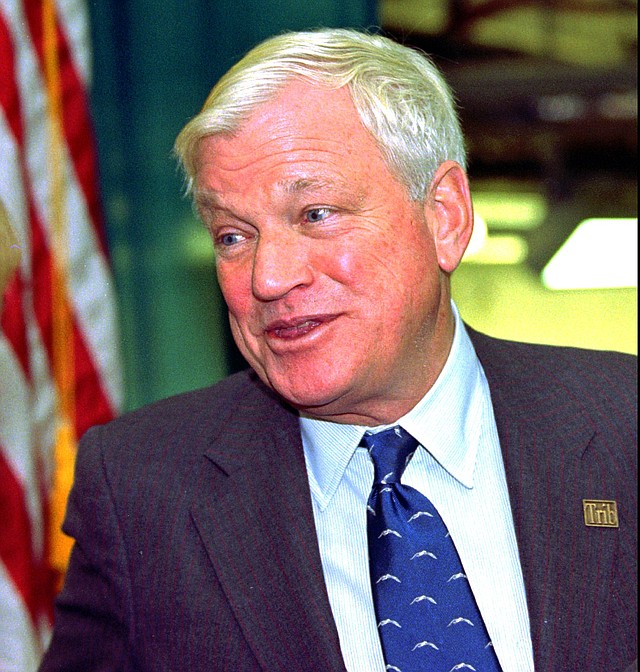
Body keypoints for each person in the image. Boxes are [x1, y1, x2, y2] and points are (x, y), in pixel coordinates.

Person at [39, 28, 636, 672]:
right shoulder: (142, 493)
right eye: (234, 236)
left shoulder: (621, 426)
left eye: (316, 214)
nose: (268, 278)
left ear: (445, 217)